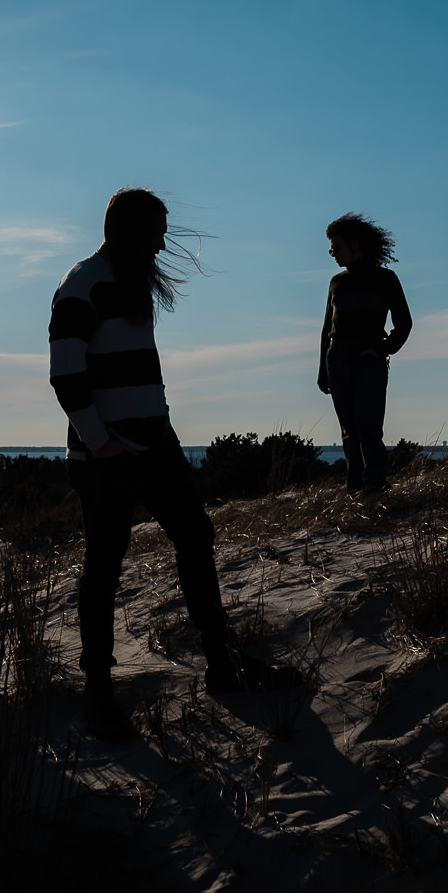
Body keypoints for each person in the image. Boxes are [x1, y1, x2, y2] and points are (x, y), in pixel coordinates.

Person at [50, 187, 294, 743]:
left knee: (195, 537)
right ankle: (99, 696)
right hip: (105, 456)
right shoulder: (82, 283)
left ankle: (224, 668)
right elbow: (65, 373)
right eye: (156, 232)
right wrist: (98, 439)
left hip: (156, 444)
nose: (163, 242)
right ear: (128, 231)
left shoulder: (135, 283)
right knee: (104, 568)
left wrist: (156, 426)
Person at [317, 213, 413, 495]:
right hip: (337, 359)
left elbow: (404, 323)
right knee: (349, 431)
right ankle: (354, 489)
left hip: (369, 361)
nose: (332, 252)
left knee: (369, 427)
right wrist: (323, 371)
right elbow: (326, 330)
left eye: (336, 246)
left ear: (355, 244)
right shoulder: (336, 282)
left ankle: (375, 487)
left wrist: (383, 349)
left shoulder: (385, 279)